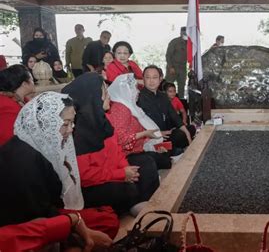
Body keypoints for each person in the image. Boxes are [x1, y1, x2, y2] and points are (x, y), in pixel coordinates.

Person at [0, 92, 119, 242]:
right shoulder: (24, 161)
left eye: (72, 123)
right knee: (106, 221)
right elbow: (38, 217)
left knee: (106, 214)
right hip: (27, 226)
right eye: (65, 124)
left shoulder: (38, 142)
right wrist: (75, 224)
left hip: (49, 211)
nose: (70, 130)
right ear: (46, 123)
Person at [62, 73, 158, 216]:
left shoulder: (103, 119)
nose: (109, 97)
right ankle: (133, 205)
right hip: (93, 184)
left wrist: (126, 169)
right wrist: (120, 174)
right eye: (105, 93)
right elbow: (85, 175)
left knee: (144, 167)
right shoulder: (78, 131)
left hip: (111, 173)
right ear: (93, 97)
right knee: (126, 189)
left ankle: (139, 204)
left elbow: (117, 150)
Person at [108, 73, 173, 170]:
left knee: (164, 155)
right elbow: (121, 140)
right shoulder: (121, 109)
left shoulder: (129, 107)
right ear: (126, 91)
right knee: (154, 161)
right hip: (126, 155)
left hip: (138, 149)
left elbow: (136, 132)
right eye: (134, 88)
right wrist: (145, 133)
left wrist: (152, 146)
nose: (137, 91)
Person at [138, 65, 194, 153]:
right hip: (152, 136)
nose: (151, 81)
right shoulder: (139, 97)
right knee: (179, 136)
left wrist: (187, 133)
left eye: (155, 77)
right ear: (143, 79)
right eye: (148, 77)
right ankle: (174, 149)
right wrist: (159, 133)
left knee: (190, 129)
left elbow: (174, 116)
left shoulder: (163, 96)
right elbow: (139, 123)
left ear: (160, 79)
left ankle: (175, 148)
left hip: (167, 132)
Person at [0, 64, 35, 145]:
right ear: (24, 84)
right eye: (32, 80)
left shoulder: (22, 100)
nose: (34, 83)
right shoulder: (6, 105)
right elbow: (11, 139)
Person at [166, 26, 188, 98]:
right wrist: (171, 67)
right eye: (183, 32)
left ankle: (181, 104)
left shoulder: (189, 43)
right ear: (180, 33)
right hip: (173, 67)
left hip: (183, 68)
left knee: (181, 87)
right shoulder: (175, 42)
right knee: (168, 86)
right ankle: (166, 103)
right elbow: (168, 55)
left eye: (186, 32)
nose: (185, 34)